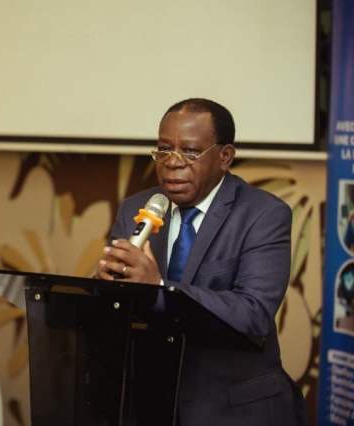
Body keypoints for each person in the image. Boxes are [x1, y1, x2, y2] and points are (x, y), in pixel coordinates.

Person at [95, 98, 308, 426]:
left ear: (225, 157)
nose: (172, 163)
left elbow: (253, 313)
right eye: (164, 149)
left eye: (190, 152)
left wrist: (158, 288)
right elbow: (114, 308)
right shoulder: (136, 208)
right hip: (152, 403)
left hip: (234, 409)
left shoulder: (264, 214)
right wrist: (103, 288)